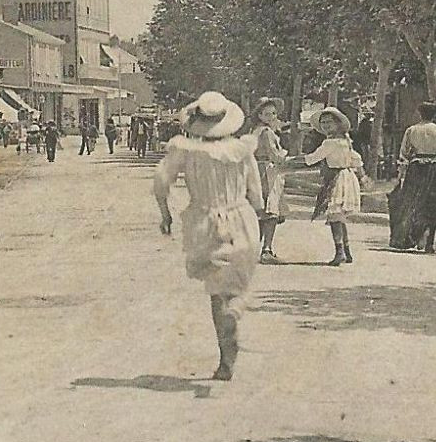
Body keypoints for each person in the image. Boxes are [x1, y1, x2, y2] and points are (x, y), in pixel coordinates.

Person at [153, 91, 262, 381]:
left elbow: (161, 182)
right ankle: (236, 308)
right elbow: (257, 195)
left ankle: (226, 361)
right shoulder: (242, 151)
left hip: (204, 220)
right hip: (240, 218)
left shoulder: (185, 151)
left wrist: (166, 213)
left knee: (216, 290)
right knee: (238, 281)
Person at [390, 102, 436, 253]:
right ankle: (429, 242)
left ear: (419, 113)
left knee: (413, 202)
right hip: (433, 169)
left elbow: (404, 154)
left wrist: (400, 175)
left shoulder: (411, 130)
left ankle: (413, 236)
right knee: (431, 204)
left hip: (416, 168)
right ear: (435, 115)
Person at [304, 108, 363, 266]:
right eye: (323, 123)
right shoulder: (345, 141)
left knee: (335, 216)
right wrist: (362, 176)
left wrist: (296, 160)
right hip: (347, 177)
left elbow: (313, 158)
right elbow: (356, 160)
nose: (325, 125)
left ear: (338, 124)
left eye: (329, 122)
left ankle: (340, 251)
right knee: (339, 217)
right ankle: (347, 251)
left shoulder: (330, 143)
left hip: (337, 178)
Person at [245, 98, 296, 264]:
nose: (272, 116)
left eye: (274, 113)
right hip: (267, 170)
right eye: (267, 114)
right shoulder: (266, 132)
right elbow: (275, 155)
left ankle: (253, 249)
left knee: (260, 211)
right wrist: (286, 156)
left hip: (255, 169)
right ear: (259, 115)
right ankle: (266, 249)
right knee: (271, 210)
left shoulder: (255, 131)